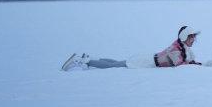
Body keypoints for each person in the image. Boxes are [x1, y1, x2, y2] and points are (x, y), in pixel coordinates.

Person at [62, 25, 202, 71]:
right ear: (184, 37)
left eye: (194, 37)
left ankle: (90, 58)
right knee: (115, 66)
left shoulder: (182, 47)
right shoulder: (176, 50)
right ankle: (84, 62)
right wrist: (196, 65)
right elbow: (181, 66)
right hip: (145, 62)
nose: (194, 39)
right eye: (192, 37)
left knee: (117, 62)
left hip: (148, 59)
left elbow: (189, 60)